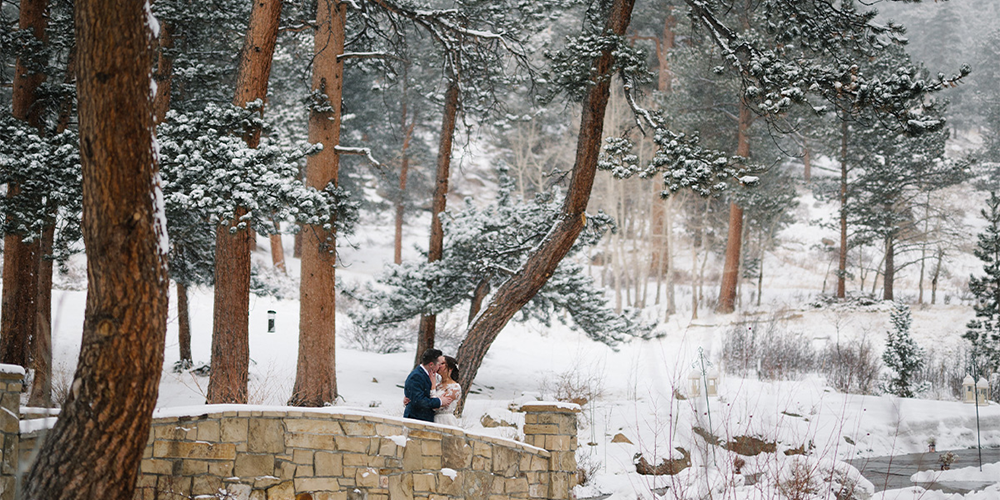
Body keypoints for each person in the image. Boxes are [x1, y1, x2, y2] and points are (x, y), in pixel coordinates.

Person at [403, 349, 454, 422]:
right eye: (439, 364)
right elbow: (419, 401)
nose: (440, 367)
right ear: (431, 364)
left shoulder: (430, 375)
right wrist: (440, 401)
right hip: (416, 419)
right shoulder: (416, 376)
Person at [430, 356, 462, 426]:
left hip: (445, 421)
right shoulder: (438, 386)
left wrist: (432, 388)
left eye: (442, 363)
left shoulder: (455, 387)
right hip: (432, 420)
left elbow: (436, 406)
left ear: (450, 368)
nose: (439, 366)